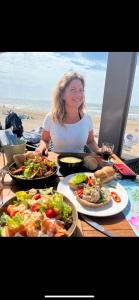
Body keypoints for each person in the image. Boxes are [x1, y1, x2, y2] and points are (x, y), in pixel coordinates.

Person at [36, 71, 103, 155]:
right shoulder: (51, 117)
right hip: (56, 164)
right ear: (62, 95)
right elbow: (45, 140)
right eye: (73, 90)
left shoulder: (87, 118)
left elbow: (90, 141)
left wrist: (98, 150)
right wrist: (42, 147)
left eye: (81, 90)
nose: (78, 94)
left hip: (80, 165)